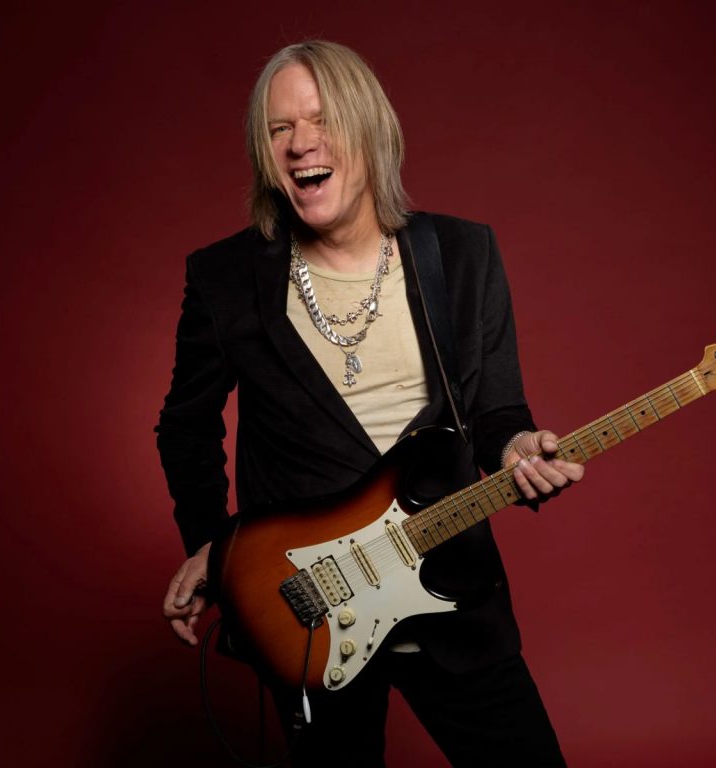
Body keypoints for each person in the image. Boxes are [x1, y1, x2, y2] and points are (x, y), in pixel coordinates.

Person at [158, 40, 583, 766]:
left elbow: (497, 413)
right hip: (313, 609)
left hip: (449, 585)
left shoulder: (464, 254)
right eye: (279, 128)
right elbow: (186, 428)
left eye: (321, 120)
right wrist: (212, 545)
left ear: (370, 128)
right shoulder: (225, 278)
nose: (301, 144)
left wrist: (517, 449)